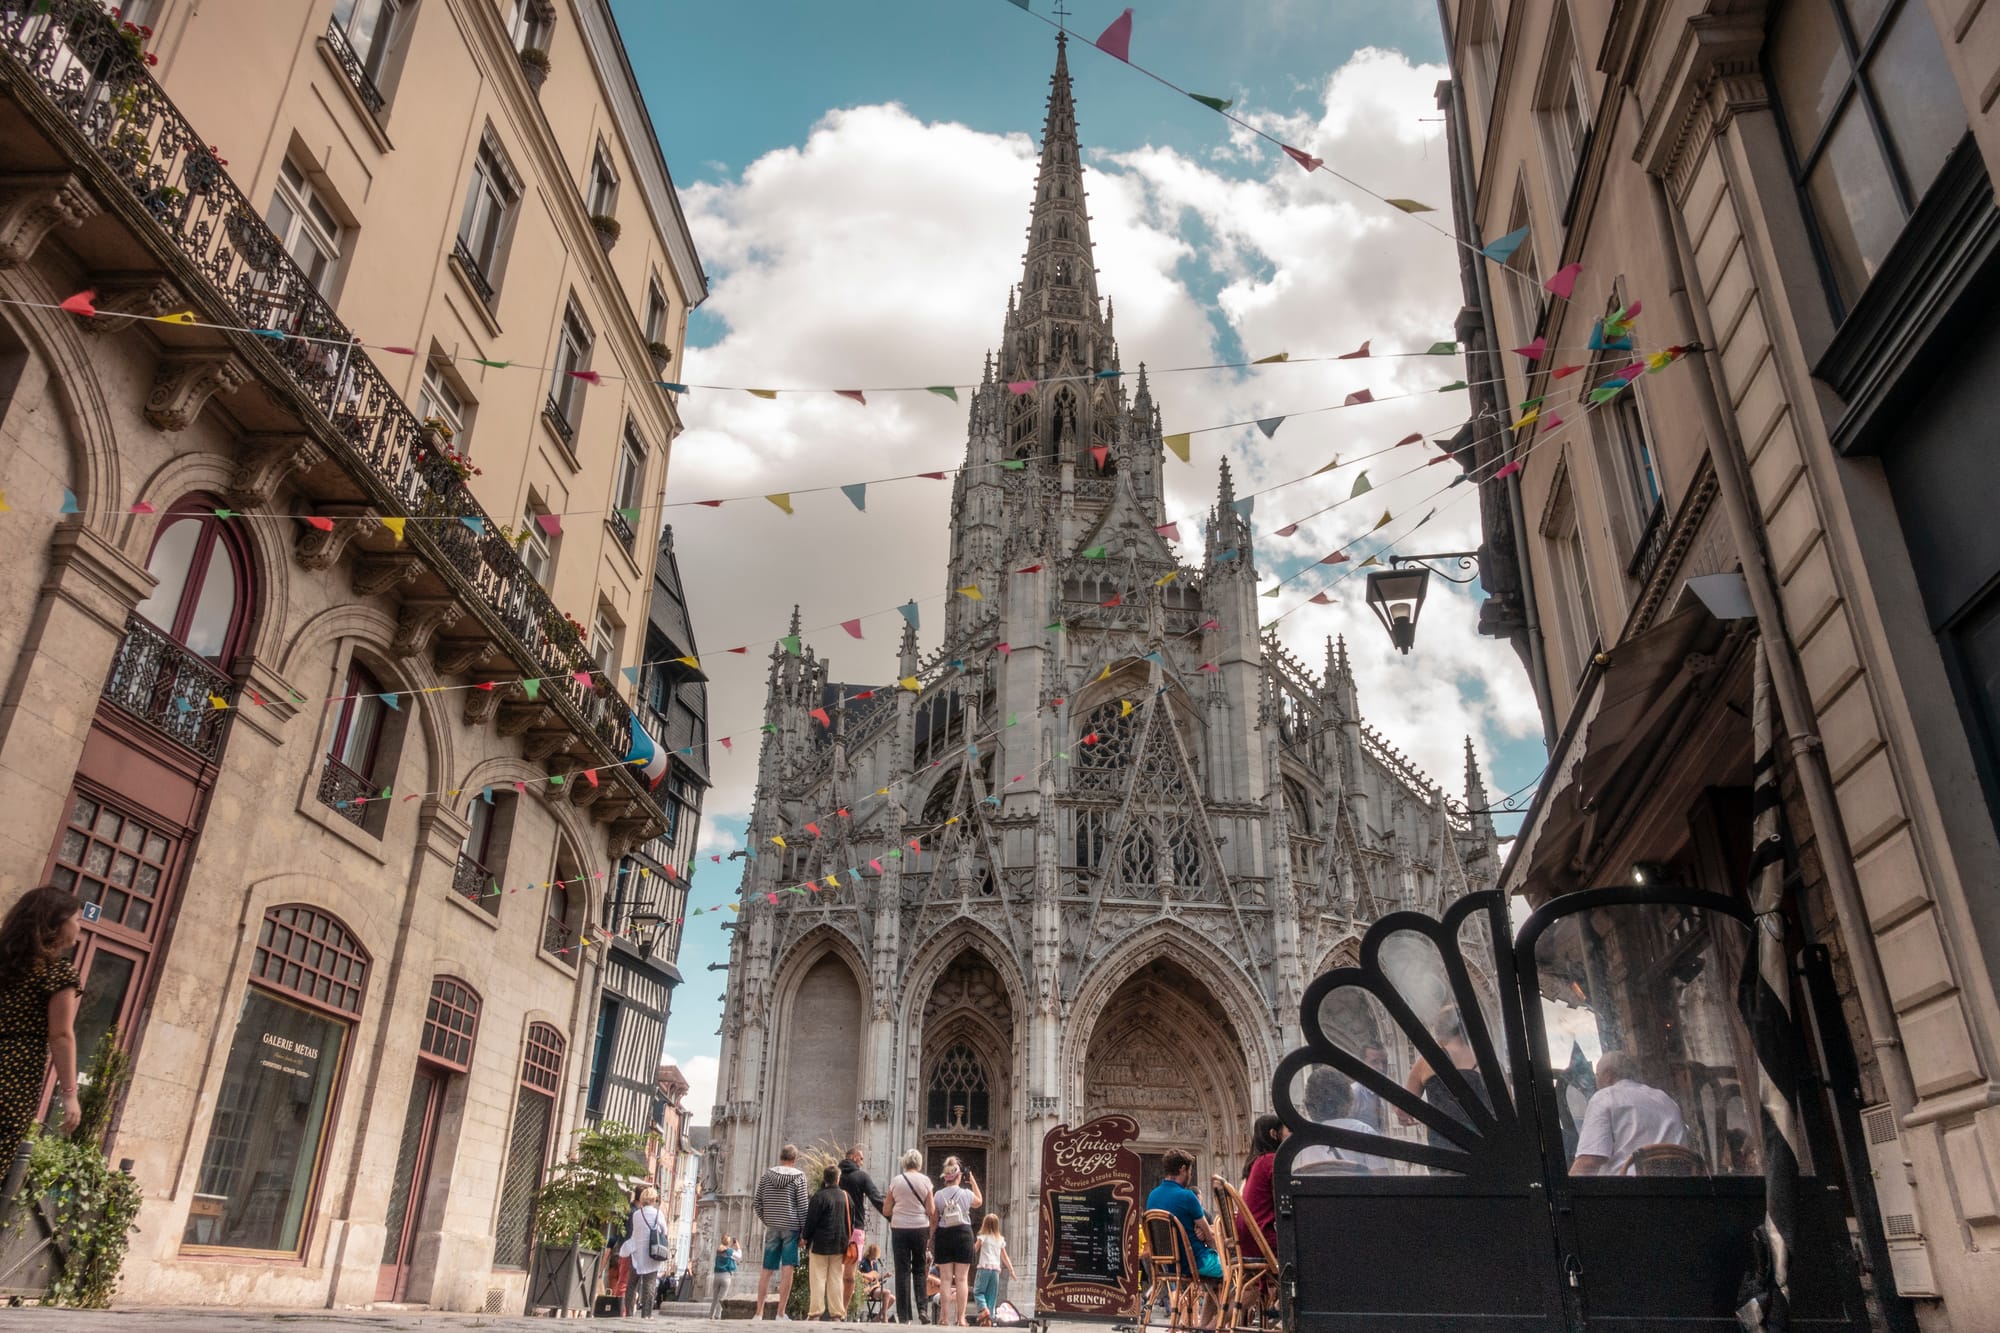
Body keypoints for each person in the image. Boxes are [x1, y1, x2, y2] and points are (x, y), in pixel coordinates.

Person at [0, 887, 83, 1173]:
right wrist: (70, 1093)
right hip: (13, 1077)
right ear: (57, 923)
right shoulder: (57, 973)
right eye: (76, 919)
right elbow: (60, 1035)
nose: (79, 927)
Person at [1571, 1050, 1690, 1175]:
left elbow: (1588, 1161)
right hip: (1680, 1189)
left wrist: (1565, 1191)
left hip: (1629, 1190)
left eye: (1597, 1075)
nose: (1596, 1080)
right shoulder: (1665, 1099)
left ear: (1608, 1075)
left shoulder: (1604, 1097)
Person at [1144, 1149, 1221, 1329]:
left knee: (1216, 1280)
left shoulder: (1152, 1196)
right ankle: (1212, 1327)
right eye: (1190, 1171)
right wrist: (1218, 1249)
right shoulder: (1188, 1196)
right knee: (1235, 1277)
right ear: (1183, 1169)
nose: (1191, 1175)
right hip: (1195, 1263)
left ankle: (1201, 1326)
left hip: (1168, 1265)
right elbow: (1209, 1237)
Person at [1400, 1007, 1491, 1148]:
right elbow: (1508, 1110)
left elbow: (1404, 1108)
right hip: (1486, 1146)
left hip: (1444, 1149)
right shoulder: (1488, 1061)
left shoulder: (1426, 1062)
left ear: (1438, 1032)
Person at [755, 1142, 810, 1319]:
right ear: (794, 1160)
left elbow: (757, 1203)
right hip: (791, 1227)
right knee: (788, 1269)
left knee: (766, 1270)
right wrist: (803, 1233)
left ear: (781, 1157)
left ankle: (759, 1313)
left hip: (772, 1226)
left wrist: (768, 1220)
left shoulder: (767, 1175)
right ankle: (780, 1312)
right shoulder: (799, 1177)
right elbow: (803, 1206)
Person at [1294, 1069, 1388, 1173]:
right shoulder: (1364, 1132)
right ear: (1348, 1098)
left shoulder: (1302, 1140)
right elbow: (1382, 1180)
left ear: (1309, 1103)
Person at [882, 1149, 936, 1324]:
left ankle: (904, 1316)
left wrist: (900, 1211)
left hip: (899, 1229)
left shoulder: (896, 1181)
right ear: (919, 1163)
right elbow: (931, 1210)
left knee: (902, 1270)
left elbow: (886, 1209)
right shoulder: (926, 1181)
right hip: (920, 1228)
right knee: (920, 1270)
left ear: (904, 1162)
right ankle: (922, 1309)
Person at [932, 1157, 982, 1325]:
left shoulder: (938, 1195)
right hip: (963, 1234)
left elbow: (933, 1218)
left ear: (945, 1177)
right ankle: (960, 1318)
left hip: (944, 1234)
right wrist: (972, 1180)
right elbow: (979, 1202)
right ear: (959, 1176)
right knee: (962, 1279)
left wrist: (930, 1238)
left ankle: (944, 1317)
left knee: (945, 1279)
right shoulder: (966, 1194)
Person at [803, 1163, 856, 1321]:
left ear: (824, 1179)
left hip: (820, 1243)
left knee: (818, 1277)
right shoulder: (846, 1197)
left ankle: (815, 1312)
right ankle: (837, 1314)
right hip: (840, 1243)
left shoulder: (819, 1196)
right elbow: (852, 1222)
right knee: (835, 1278)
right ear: (838, 1179)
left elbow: (810, 1221)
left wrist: (805, 1238)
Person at [840, 1146, 885, 1310]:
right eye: (861, 1158)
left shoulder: (833, 1176)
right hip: (855, 1230)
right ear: (853, 1157)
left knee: (835, 1272)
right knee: (850, 1275)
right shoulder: (861, 1176)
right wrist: (892, 1218)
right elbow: (877, 1199)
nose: (862, 1162)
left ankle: (834, 1307)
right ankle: (843, 1310)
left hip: (836, 1229)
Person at [1236, 1113, 1286, 1253]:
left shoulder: (1256, 1162)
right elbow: (1282, 1202)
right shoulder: (1271, 1161)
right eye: (1286, 1130)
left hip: (1248, 1240)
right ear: (1274, 1133)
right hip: (1262, 1240)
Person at [620, 1186, 670, 1319]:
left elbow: (635, 1232)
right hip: (652, 1252)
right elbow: (664, 1231)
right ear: (654, 1199)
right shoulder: (658, 1214)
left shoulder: (637, 1214)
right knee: (649, 1284)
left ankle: (629, 1313)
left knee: (632, 1284)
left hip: (637, 1253)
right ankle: (646, 1314)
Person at [970, 1213, 1013, 1322]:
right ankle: (991, 1318)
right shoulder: (1000, 1239)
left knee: (978, 1291)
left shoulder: (982, 1237)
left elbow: (974, 1250)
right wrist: (1011, 1270)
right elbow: (1005, 1257)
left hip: (984, 1268)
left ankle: (984, 1310)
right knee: (992, 1295)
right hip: (995, 1271)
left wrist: (966, 1257)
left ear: (984, 1224)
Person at [1349, 1042, 1389, 1131]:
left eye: (1384, 1062)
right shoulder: (1354, 1093)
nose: (1381, 1068)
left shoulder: (1385, 1091)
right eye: (1375, 1062)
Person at [859, 1243, 893, 1321]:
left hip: (875, 1287)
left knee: (893, 1298)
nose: (876, 1257)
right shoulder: (863, 1262)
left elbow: (876, 1279)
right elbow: (858, 1274)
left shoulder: (874, 1264)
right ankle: (884, 1316)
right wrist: (867, 1276)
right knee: (887, 1292)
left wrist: (885, 1276)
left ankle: (877, 1317)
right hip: (868, 1289)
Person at [711, 1234, 742, 1319]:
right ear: (728, 1242)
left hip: (716, 1276)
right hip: (726, 1276)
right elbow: (739, 1257)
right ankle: (717, 1315)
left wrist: (731, 1247)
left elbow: (726, 1251)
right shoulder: (730, 1251)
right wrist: (738, 1247)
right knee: (721, 1298)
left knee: (715, 1297)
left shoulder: (718, 1250)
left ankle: (710, 1315)